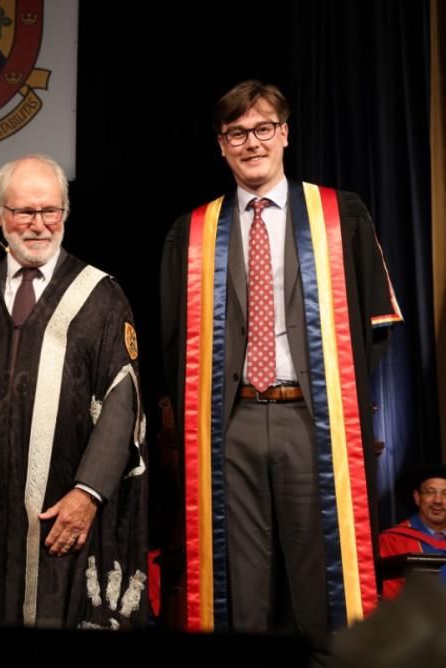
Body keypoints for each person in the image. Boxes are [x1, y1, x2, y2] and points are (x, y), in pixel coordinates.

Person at [160, 81, 403, 645]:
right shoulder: (192, 233)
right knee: (236, 587)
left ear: (285, 134)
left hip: (313, 421)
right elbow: (176, 343)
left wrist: (338, 399)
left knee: (324, 579)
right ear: (221, 145)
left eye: (263, 128)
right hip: (231, 424)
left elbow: (374, 329)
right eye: (237, 133)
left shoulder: (341, 216)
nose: (252, 142)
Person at [0, 155, 148, 629]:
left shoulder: (101, 297)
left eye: (50, 211)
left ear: (65, 213)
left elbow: (123, 402)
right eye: (24, 212)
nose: (38, 224)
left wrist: (88, 493)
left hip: (62, 510)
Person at [379, 465, 446, 599]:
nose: (438, 500)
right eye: (430, 492)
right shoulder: (393, 540)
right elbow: (392, 599)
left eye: (445, 493)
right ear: (417, 497)